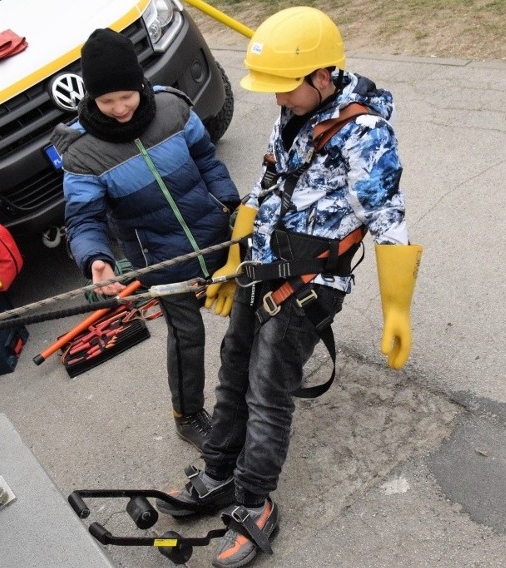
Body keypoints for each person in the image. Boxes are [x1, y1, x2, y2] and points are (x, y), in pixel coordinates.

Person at [156, 7, 423, 567]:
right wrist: (235, 259)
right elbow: (263, 189)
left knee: (267, 389)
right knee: (232, 374)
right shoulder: (295, 115)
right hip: (261, 268)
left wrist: (396, 311)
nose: (278, 99)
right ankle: (219, 472)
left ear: (322, 77)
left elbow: (388, 219)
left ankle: (256, 502)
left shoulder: (367, 134)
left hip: (308, 282)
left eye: (286, 89)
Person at [51, 28, 240, 450]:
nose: (118, 109)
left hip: (217, 236)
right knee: (187, 336)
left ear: (139, 83)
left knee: (248, 313)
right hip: (160, 258)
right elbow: (83, 219)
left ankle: (256, 382)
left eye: (126, 96)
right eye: (106, 101)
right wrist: (96, 259)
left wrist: (227, 204)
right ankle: (188, 415)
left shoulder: (173, 109)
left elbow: (207, 160)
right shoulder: (82, 154)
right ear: (91, 98)